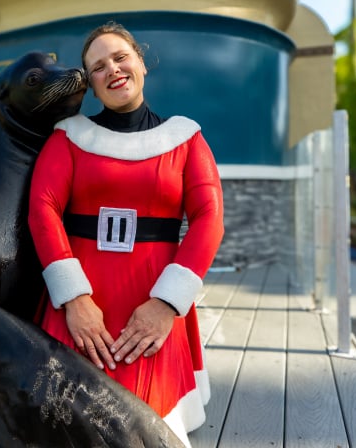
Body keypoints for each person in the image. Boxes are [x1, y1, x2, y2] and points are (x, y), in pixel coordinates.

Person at [27, 22, 224, 446]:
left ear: (141, 63)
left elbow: (209, 218)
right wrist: (75, 301)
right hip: (81, 304)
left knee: (145, 426)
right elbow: (43, 210)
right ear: (92, 85)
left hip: (152, 298)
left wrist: (166, 305)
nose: (113, 70)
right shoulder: (68, 139)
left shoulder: (185, 138)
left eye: (120, 57)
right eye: (98, 67)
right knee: (60, 417)